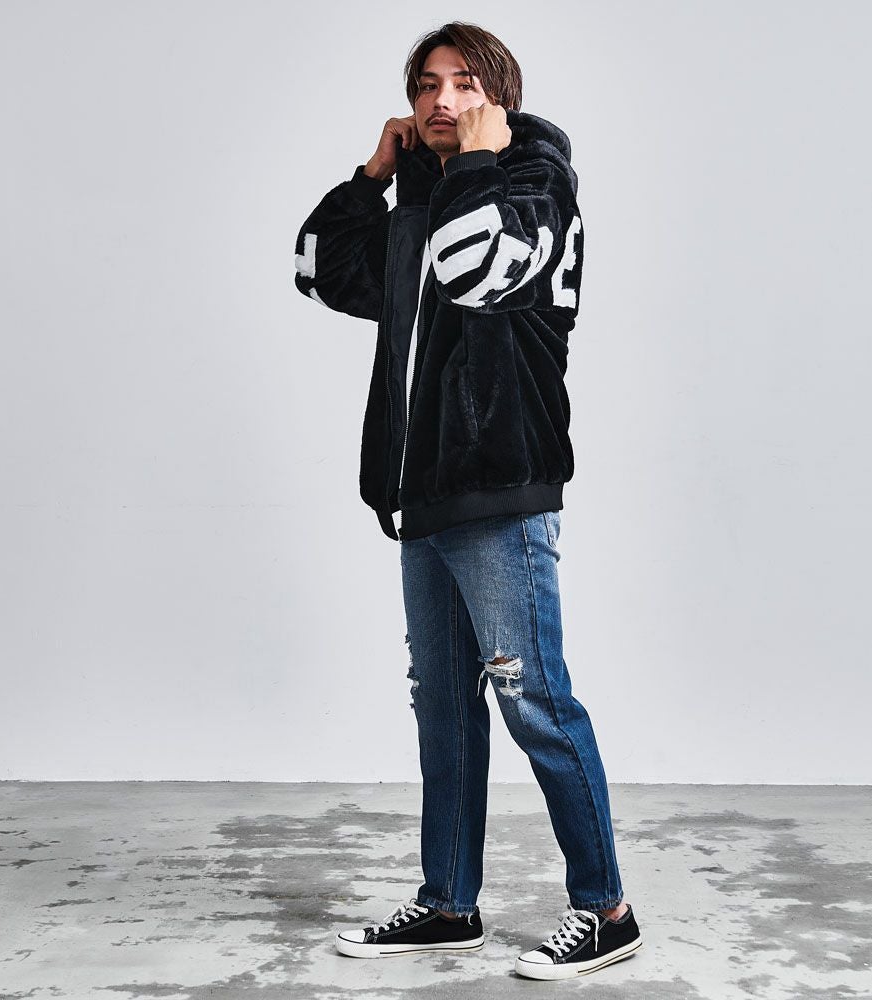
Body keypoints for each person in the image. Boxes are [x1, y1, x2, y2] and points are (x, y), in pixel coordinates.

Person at [293, 21, 643, 980]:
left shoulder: (533, 184)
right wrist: (373, 178)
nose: (441, 100)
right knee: (444, 710)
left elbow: (477, 271)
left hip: (500, 491)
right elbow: (317, 269)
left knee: (537, 703)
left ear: (500, 97)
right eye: (426, 85)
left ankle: (607, 910)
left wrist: (479, 161)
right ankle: (449, 903)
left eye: (464, 83)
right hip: (427, 497)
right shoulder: (427, 196)